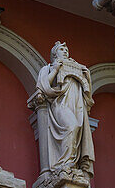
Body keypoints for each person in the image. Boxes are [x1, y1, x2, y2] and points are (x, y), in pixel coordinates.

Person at [35, 41, 95, 179]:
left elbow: (87, 95)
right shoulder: (48, 68)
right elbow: (42, 86)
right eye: (62, 49)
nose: (65, 51)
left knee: (78, 131)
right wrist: (56, 69)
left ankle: (72, 166)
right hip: (60, 103)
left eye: (66, 49)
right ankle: (64, 164)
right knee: (71, 126)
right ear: (55, 54)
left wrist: (87, 76)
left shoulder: (76, 67)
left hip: (76, 105)